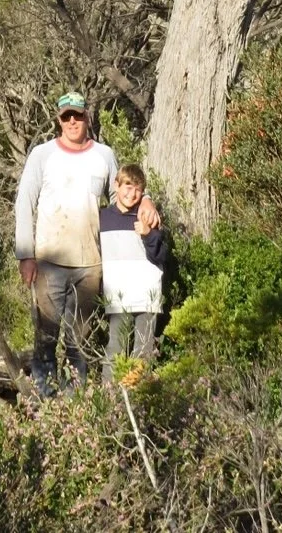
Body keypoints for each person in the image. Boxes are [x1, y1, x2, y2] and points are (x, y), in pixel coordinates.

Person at [13, 90, 158, 394]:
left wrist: (146, 199)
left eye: (77, 115)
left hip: (90, 266)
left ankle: (74, 402)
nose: (72, 121)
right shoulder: (42, 154)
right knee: (46, 338)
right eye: (66, 116)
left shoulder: (103, 155)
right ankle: (44, 401)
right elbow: (24, 202)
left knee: (78, 341)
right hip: (48, 262)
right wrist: (25, 255)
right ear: (59, 120)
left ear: (87, 117)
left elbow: (123, 192)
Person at [99, 163, 166, 386]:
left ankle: (138, 398)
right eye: (128, 187)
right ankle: (109, 397)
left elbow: (161, 254)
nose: (132, 194)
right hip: (117, 296)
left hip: (147, 296)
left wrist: (148, 235)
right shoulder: (103, 218)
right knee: (115, 349)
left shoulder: (147, 216)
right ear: (116, 186)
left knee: (143, 352)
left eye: (138, 189)